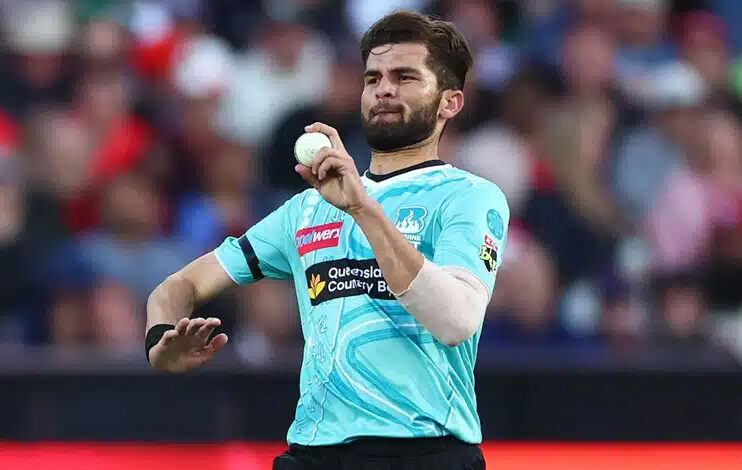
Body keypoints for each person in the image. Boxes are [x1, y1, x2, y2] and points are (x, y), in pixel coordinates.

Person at [145, 10, 509, 470]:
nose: (384, 89)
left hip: (424, 450)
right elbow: (178, 286)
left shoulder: (469, 196)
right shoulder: (307, 209)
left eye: (404, 77)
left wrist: (363, 208)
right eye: (373, 78)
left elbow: (455, 321)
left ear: (449, 103)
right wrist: (160, 344)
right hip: (315, 453)